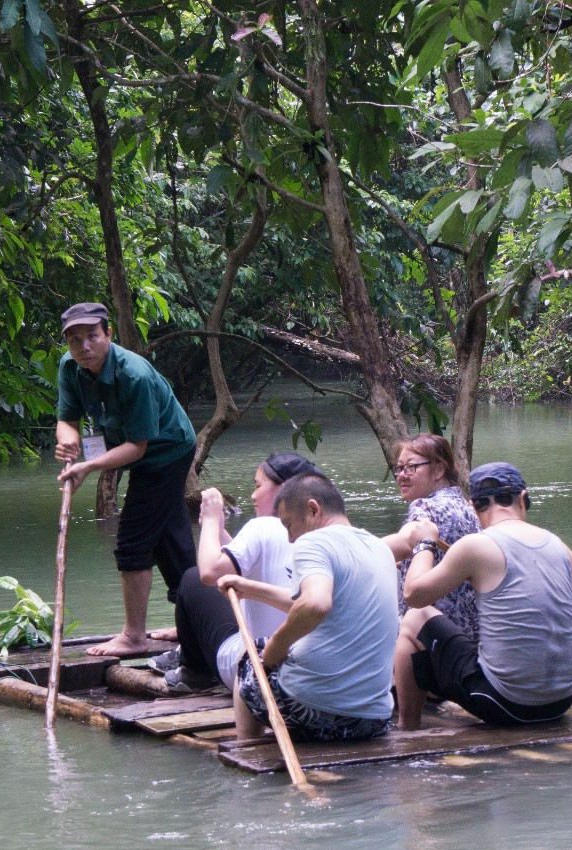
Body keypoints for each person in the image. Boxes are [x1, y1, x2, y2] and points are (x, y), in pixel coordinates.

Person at [393, 461, 572, 730]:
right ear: (523, 499)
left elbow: (414, 595)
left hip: (506, 704)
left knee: (415, 618)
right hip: (563, 699)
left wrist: (424, 543)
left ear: (474, 508)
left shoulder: (476, 545)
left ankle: (408, 729)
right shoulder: (556, 544)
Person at [51, 302, 197, 658]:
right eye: (74, 340)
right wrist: (67, 441)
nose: (84, 347)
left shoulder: (135, 375)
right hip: (141, 452)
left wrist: (88, 466)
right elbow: (66, 417)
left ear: (109, 334)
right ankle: (193, 622)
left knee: (133, 542)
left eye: (92, 337)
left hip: (167, 451)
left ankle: (134, 637)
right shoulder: (70, 368)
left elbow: (137, 447)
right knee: (170, 539)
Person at [217, 472, 396, 743]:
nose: (289, 539)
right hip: (373, 719)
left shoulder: (313, 542)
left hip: (318, 713)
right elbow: (308, 600)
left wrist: (275, 647)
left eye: (288, 525)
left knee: (251, 655)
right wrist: (250, 588)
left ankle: (247, 749)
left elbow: (315, 603)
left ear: (313, 510)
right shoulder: (378, 547)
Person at [154, 451, 322, 693]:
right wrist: (220, 527)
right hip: (314, 664)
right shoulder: (330, 531)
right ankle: (185, 649)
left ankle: (195, 671)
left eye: (258, 486)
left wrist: (211, 521)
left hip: (257, 668)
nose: (253, 495)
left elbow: (209, 572)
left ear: (285, 490)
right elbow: (246, 566)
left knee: (192, 579)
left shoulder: (263, 526)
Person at [379, 434, 480, 636]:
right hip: (470, 630)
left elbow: (406, 541)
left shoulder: (425, 506)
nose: (401, 475)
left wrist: (346, 547)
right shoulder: (464, 504)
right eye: (398, 468)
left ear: (439, 469)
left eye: (411, 467)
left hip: (434, 635)